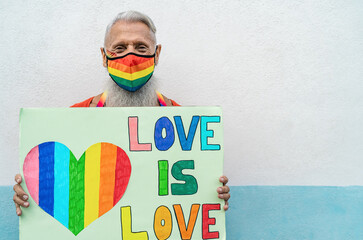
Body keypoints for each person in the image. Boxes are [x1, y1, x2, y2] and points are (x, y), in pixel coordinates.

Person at [13, 10, 230, 216]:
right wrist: (29, 195)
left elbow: (194, 186)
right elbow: (56, 183)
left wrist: (211, 193)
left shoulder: (184, 125)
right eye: (120, 47)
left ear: (157, 54)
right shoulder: (73, 119)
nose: (131, 57)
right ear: (104, 56)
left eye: (141, 47)